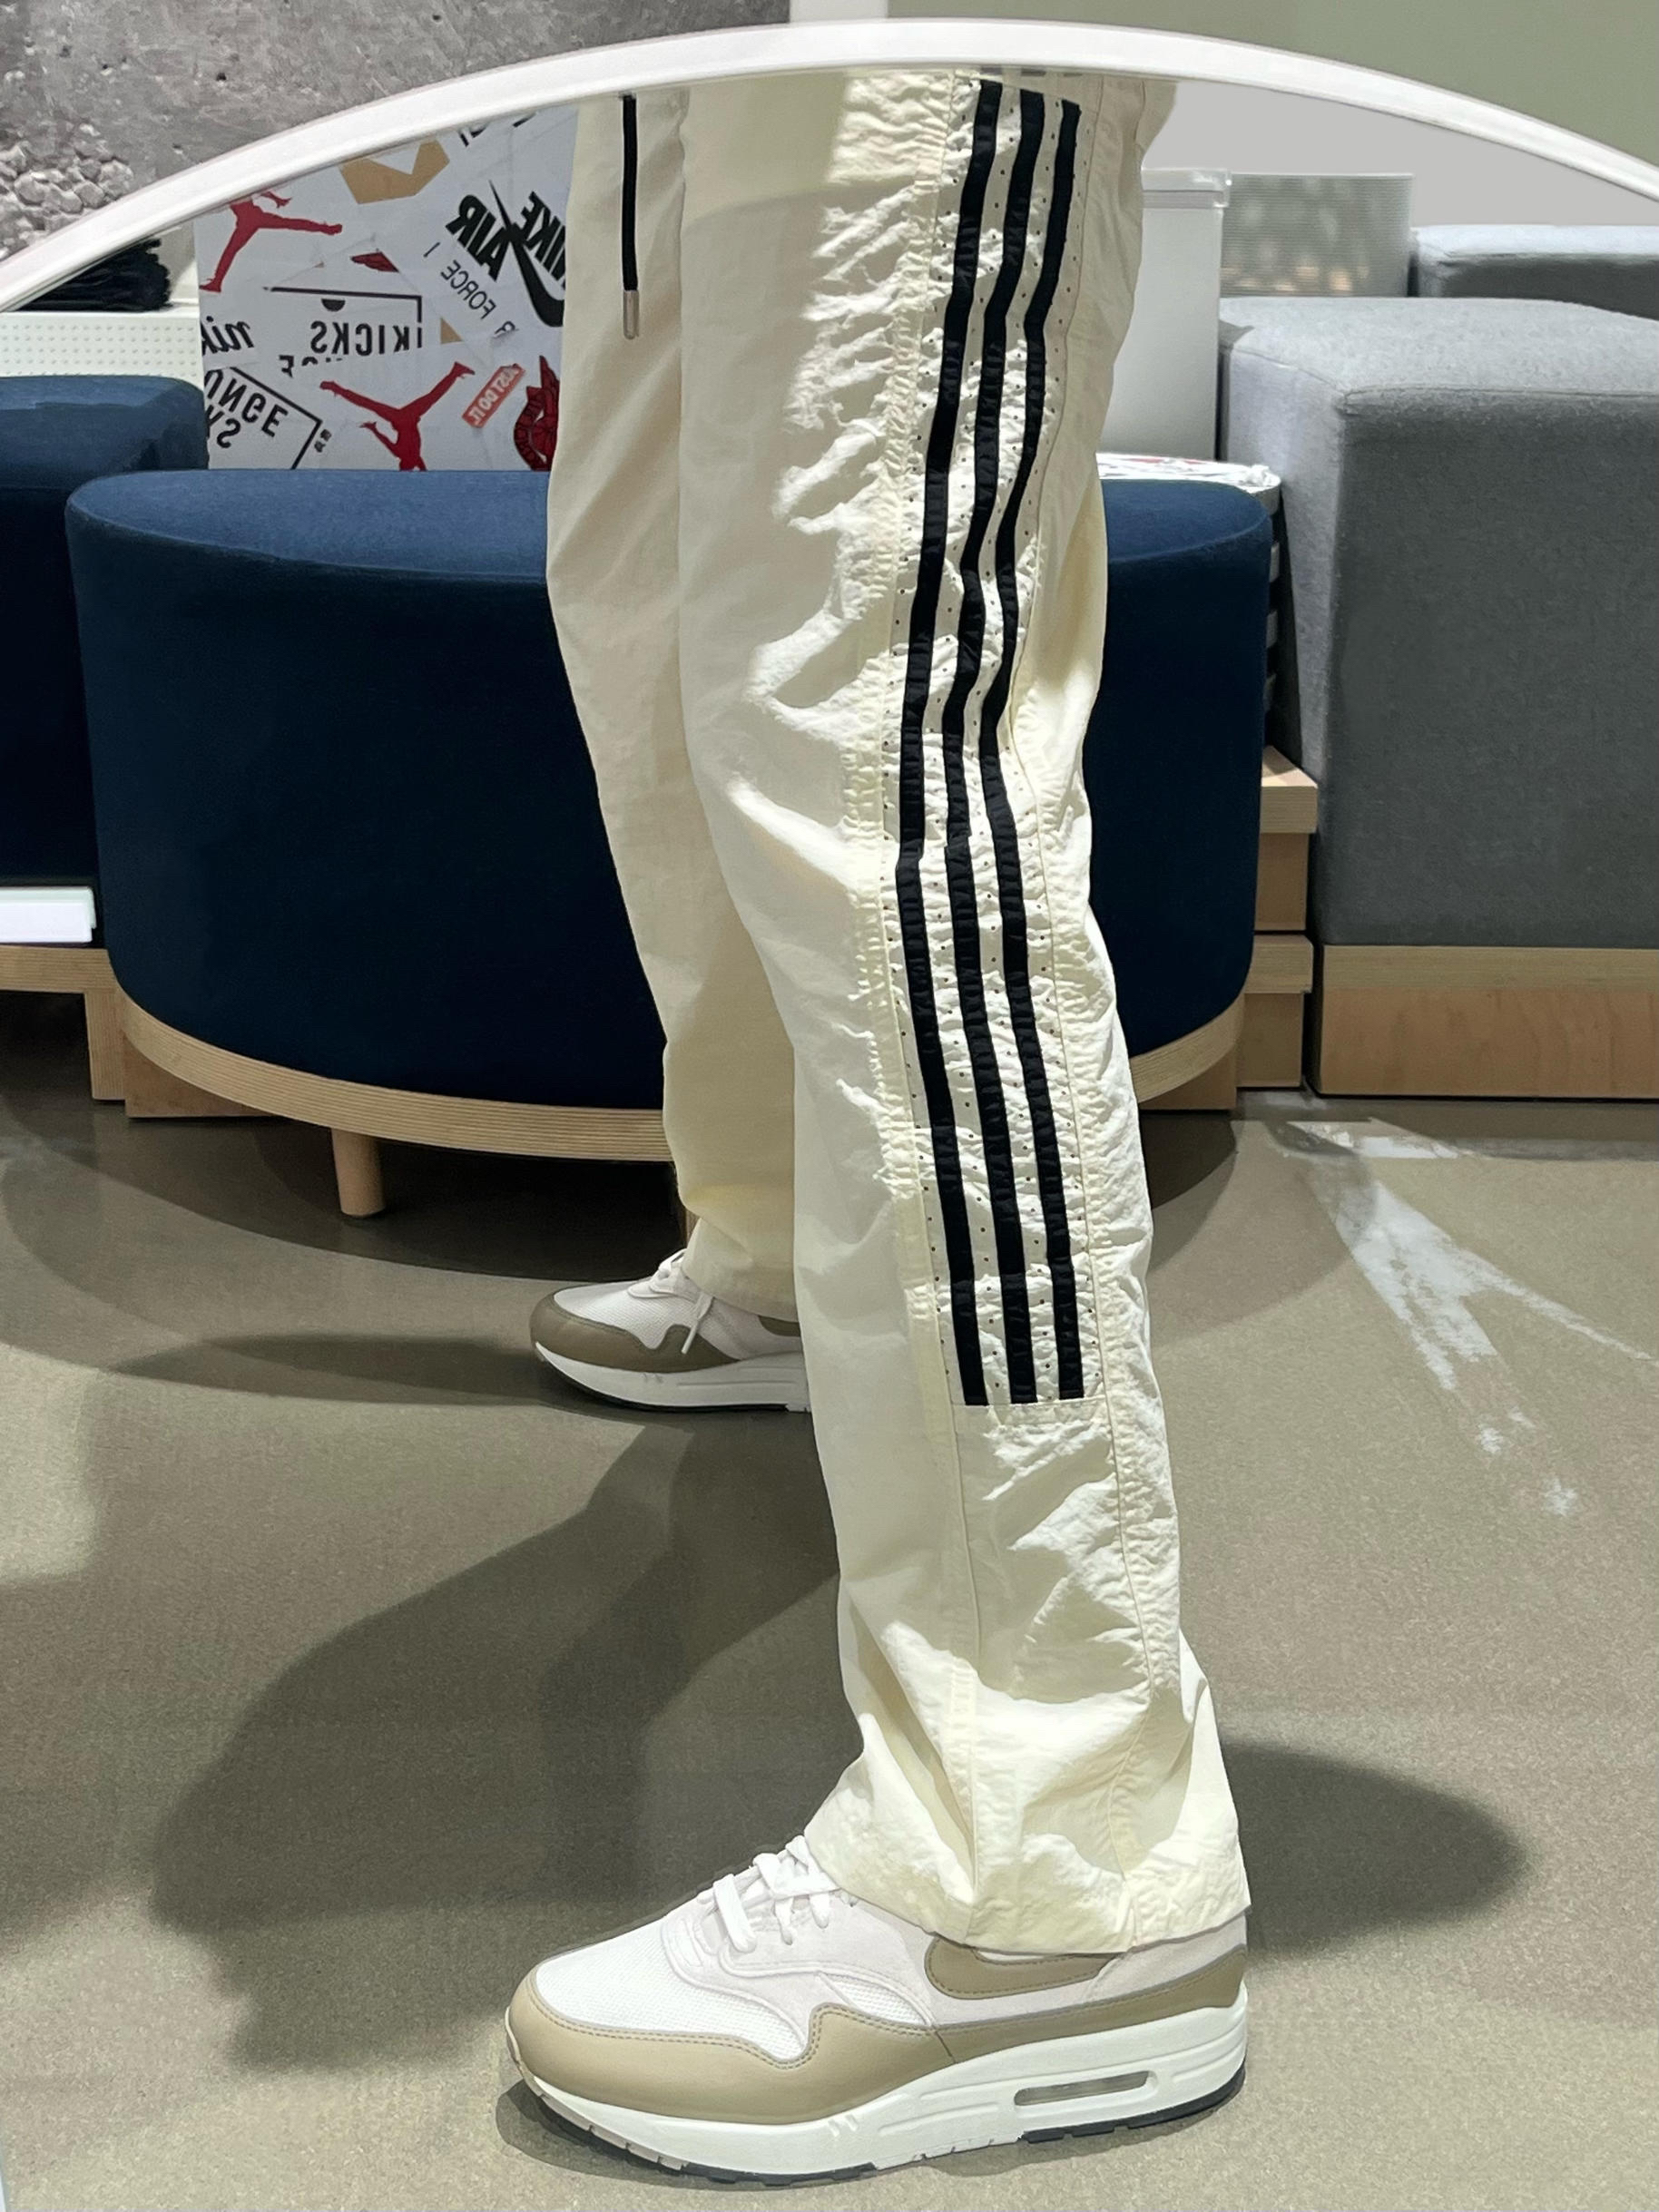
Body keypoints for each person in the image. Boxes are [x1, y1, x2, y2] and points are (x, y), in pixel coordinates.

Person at [508, 64, 1250, 2182]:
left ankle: (1057, 1852)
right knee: (659, 631)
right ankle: (769, 1255)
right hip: (674, 56)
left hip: (899, 47)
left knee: (880, 758)